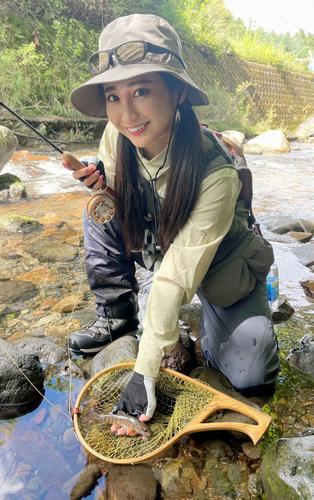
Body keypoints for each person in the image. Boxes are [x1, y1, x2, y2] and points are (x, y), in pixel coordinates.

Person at [63, 13, 279, 435]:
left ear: (178, 91)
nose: (127, 114)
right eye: (112, 96)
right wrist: (99, 177)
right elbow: (111, 168)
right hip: (159, 242)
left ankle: (215, 329)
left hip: (220, 263)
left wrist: (146, 372)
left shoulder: (217, 171)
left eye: (142, 90)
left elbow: (174, 277)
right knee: (100, 208)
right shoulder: (117, 135)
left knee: (252, 374)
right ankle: (116, 315)